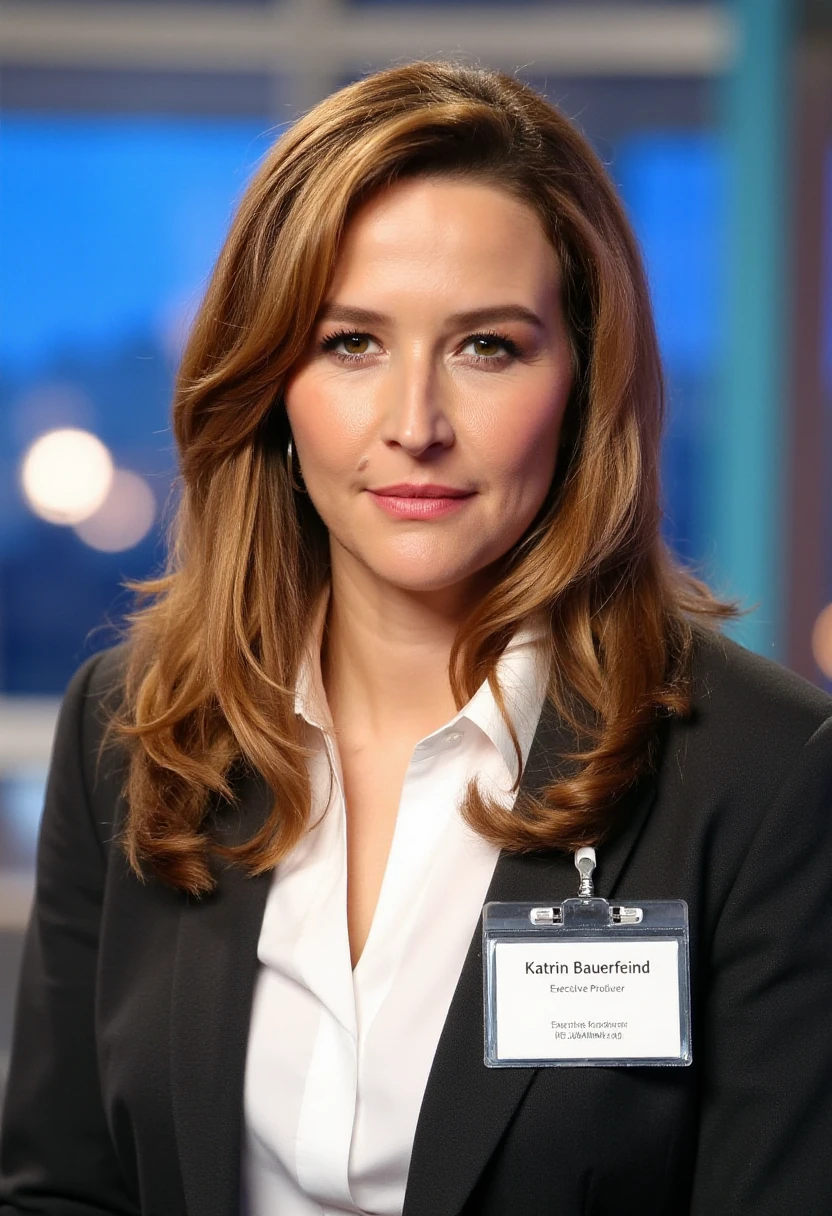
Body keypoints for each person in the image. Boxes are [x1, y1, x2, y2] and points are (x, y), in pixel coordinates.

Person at [1, 60, 831, 1216]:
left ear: (582, 382)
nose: (415, 426)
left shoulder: (764, 774)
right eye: (351, 343)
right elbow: (62, 1191)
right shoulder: (131, 727)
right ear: (271, 377)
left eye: (487, 345)